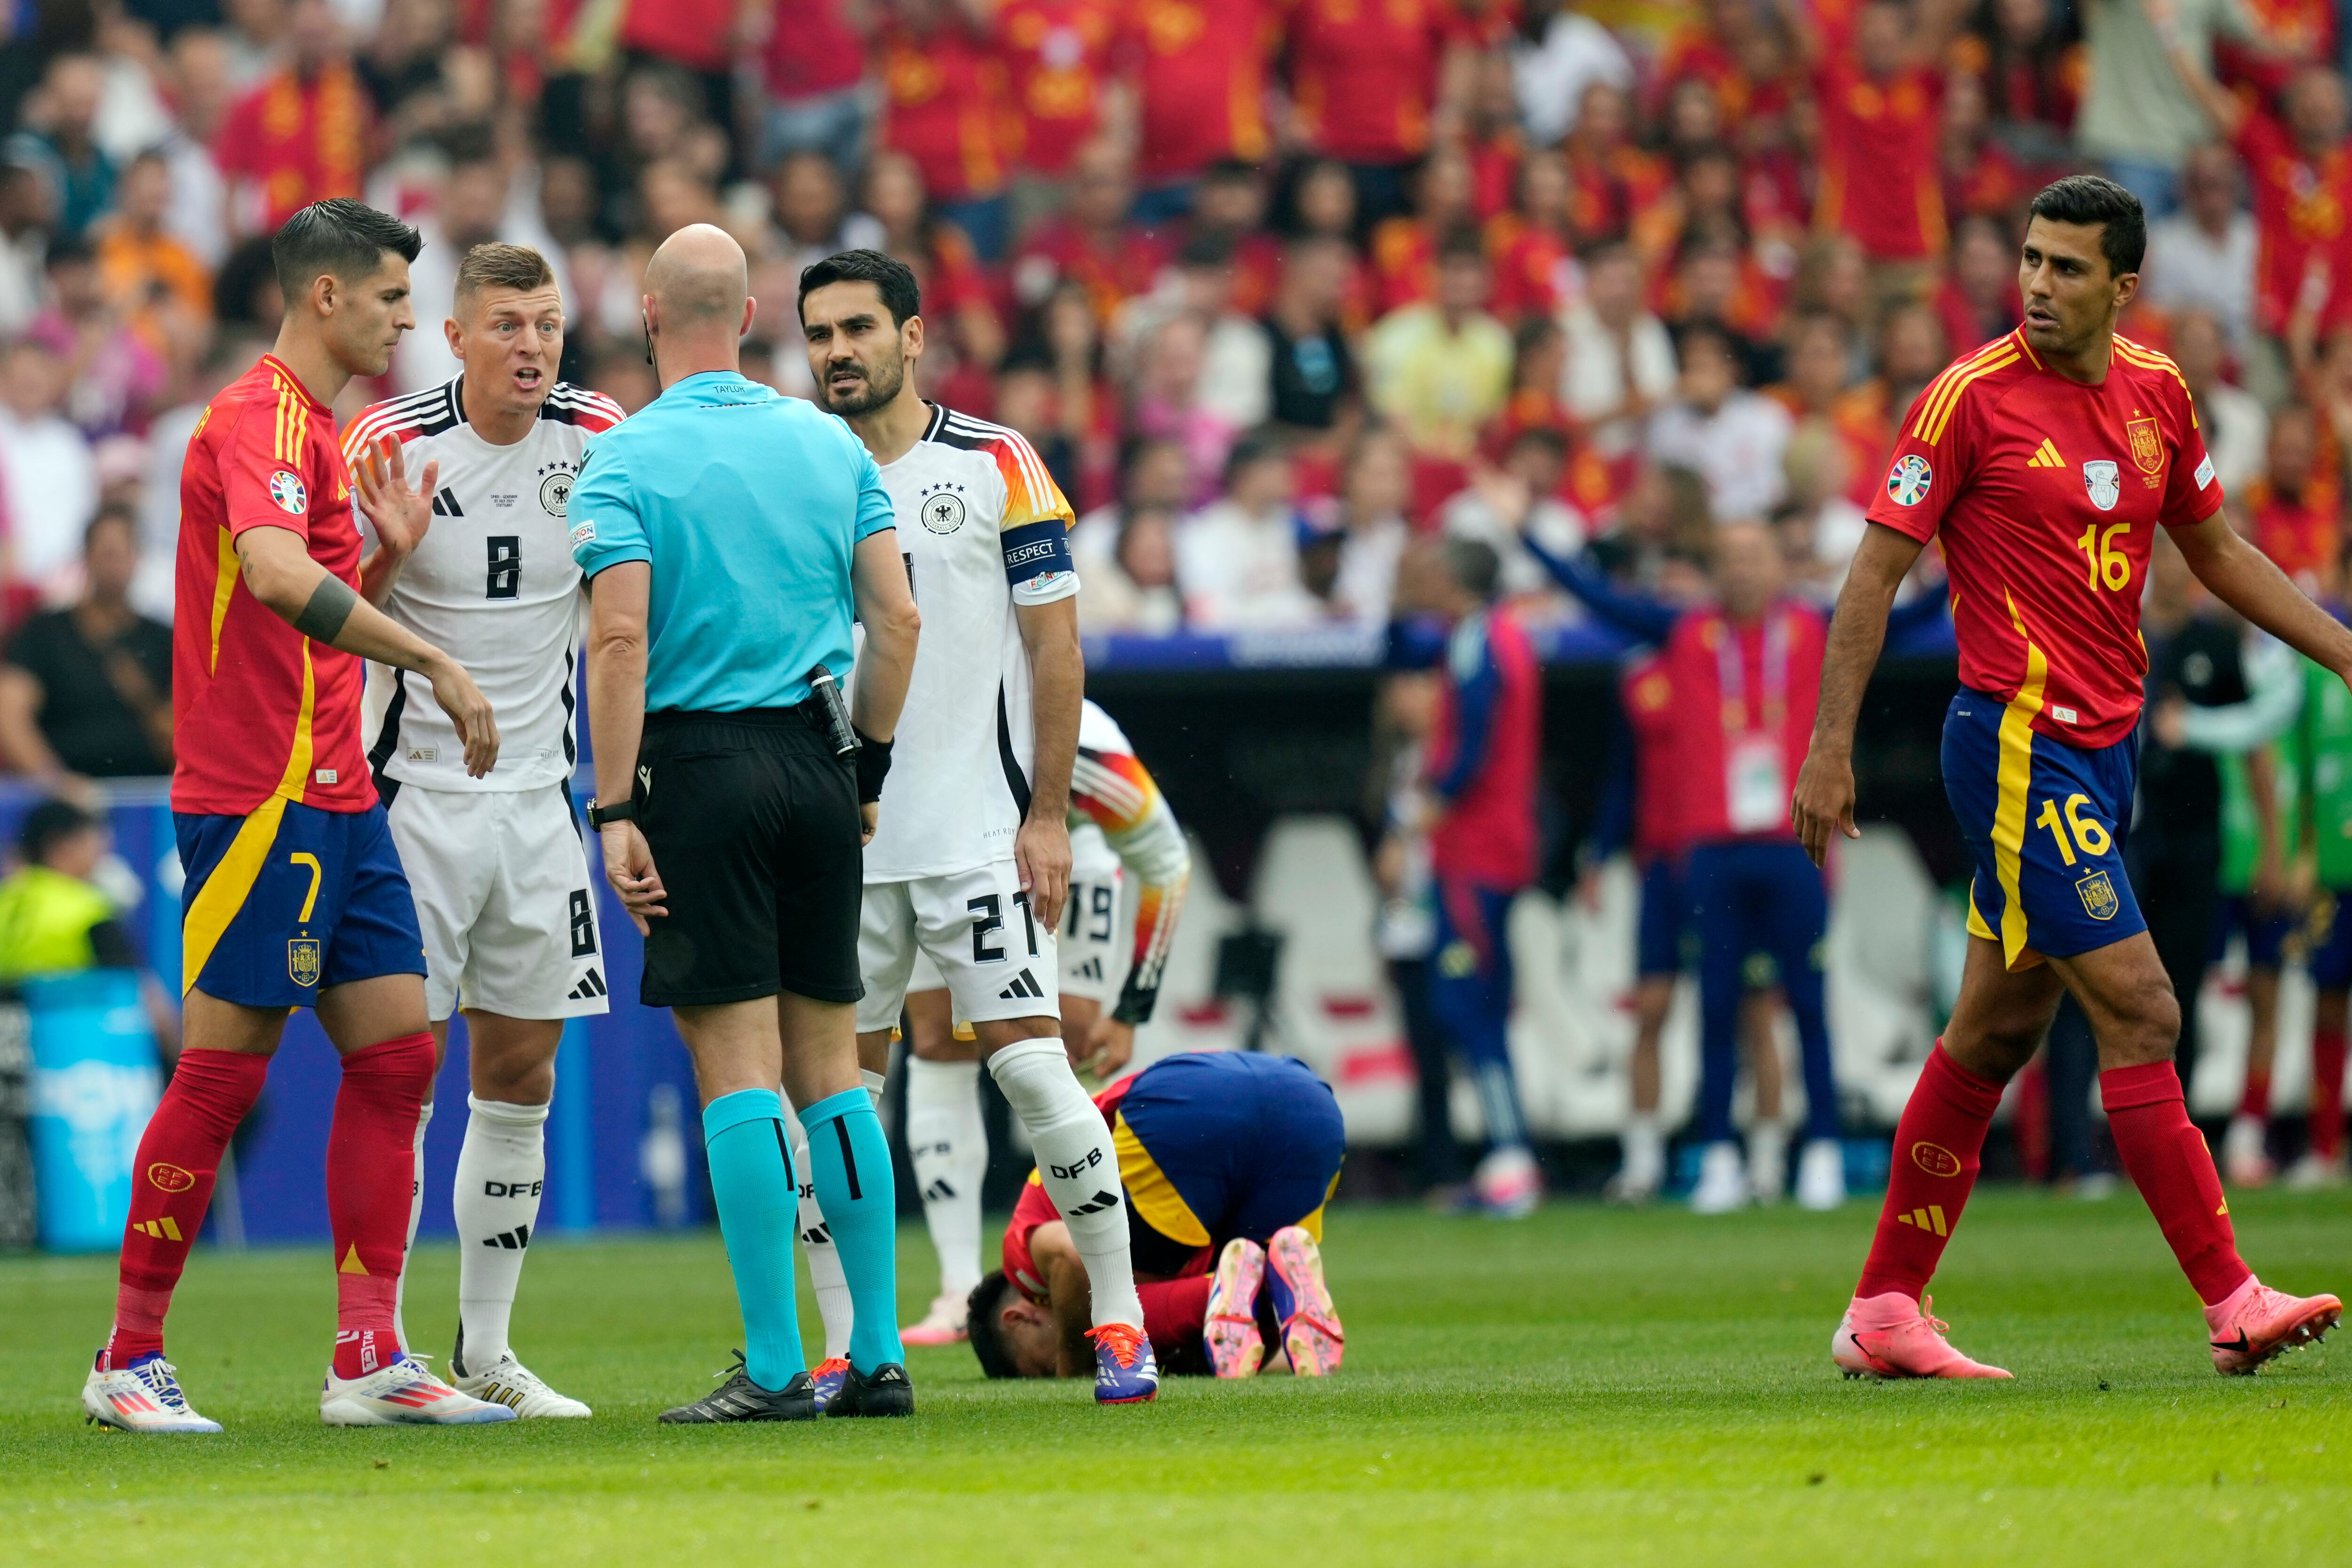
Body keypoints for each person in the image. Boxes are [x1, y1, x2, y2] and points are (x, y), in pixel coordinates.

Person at [1794, 175, 2345, 1380]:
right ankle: (2231, 1295)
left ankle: (1885, 1307)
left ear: (2120, 286)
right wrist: (1831, 744)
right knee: (2142, 1006)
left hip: (2106, 752)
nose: (2037, 284)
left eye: (2065, 267)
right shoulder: (1966, 400)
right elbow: (1872, 578)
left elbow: (2215, 549)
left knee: (1994, 1030)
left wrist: (2341, 650)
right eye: (2030, 261)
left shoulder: (2157, 393)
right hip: (2011, 745)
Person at [83, 198, 512, 1433]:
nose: (404, 320)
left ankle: (369, 1354)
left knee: (397, 1053)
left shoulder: (316, 433)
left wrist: (378, 560)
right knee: (224, 1068)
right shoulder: (255, 416)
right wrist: (430, 655)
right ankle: (127, 1354)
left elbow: (290, 601)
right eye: (389, 297)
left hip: (338, 789)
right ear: (326, 295)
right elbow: (272, 575)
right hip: (257, 794)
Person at [572, 224, 924, 1422]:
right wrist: (864, 764)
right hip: (818, 760)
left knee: (738, 1074)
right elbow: (900, 622)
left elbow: (619, 640)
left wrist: (613, 804)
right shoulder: (826, 445)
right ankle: (875, 1352)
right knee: (835, 1070)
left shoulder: (625, 460)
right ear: (757, 312)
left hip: (696, 764)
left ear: (647, 309)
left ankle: (777, 1365)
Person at [796, 247, 1158, 1405]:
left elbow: (1057, 647)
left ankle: (1118, 1321)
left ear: (912, 336)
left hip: (970, 833)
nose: (838, 352)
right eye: (820, 333)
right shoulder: (798, 470)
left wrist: (1047, 816)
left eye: (859, 328)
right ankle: (857, 1347)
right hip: (840, 848)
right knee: (833, 1097)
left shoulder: (997, 461)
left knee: (1035, 1075)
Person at [342, 242, 625, 1419]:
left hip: (542, 806)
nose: (532, 346)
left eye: (548, 324)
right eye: (507, 324)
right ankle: (377, 1351)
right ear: (452, 338)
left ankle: (488, 1351)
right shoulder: (388, 442)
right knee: (403, 1078)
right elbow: (314, 609)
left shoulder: (601, 436)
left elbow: (625, 618)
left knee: (520, 1076)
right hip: (412, 803)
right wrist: (387, 552)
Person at [1538, 524, 1869, 1212]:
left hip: (1794, 841)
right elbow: (1598, 598)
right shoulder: (1685, 634)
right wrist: (1527, 536)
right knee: (1715, 1004)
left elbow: (1899, 605)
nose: (1743, 570)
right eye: (1730, 559)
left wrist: (1959, 548)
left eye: (1755, 557)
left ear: (1780, 564)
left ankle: (1823, 1151)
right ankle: (1718, 1153)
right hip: (1712, 851)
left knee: (1808, 1002)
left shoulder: (1813, 627)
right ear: (1714, 570)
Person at [898, 697, 1192, 1346]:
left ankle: (1100, 1273)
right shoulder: (920, 724)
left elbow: (1167, 864)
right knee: (938, 1038)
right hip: (944, 840)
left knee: (1070, 1039)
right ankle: (955, 1290)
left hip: (1065, 839)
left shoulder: (1092, 762)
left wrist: (1131, 1007)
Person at [969, 1050, 1346, 1382]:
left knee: (1113, 1301)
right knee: (1256, 1278)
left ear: (1020, 1320)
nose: (1052, 1371)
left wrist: (1073, 1368)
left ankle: (1216, 1294)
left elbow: (1070, 1252)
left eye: (1042, 1369)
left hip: (1181, 1110)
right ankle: (1274, 1290)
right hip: (1311, 1104)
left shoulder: (1023, 1256)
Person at [1404, 538, 1545, 1217]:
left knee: (1467, 1004)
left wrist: (1421, 817)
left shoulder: (1475, 643)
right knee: (1479, 999)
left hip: (1475, 851)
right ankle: (1505, 1154)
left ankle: (1512, 1157)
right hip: (1499, 844)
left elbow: (1470, 749)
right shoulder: (1507, 635)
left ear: (1454, 580)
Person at [0, 507, 173, 785]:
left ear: (138, 558)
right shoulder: (45, 633)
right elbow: (8, 711)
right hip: (69, 804)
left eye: (121, 553)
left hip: (150, 800)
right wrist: (55, 782)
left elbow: (185, 726)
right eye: (105, 553)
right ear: (85, 557)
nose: (113, 564)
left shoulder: (164, 639)